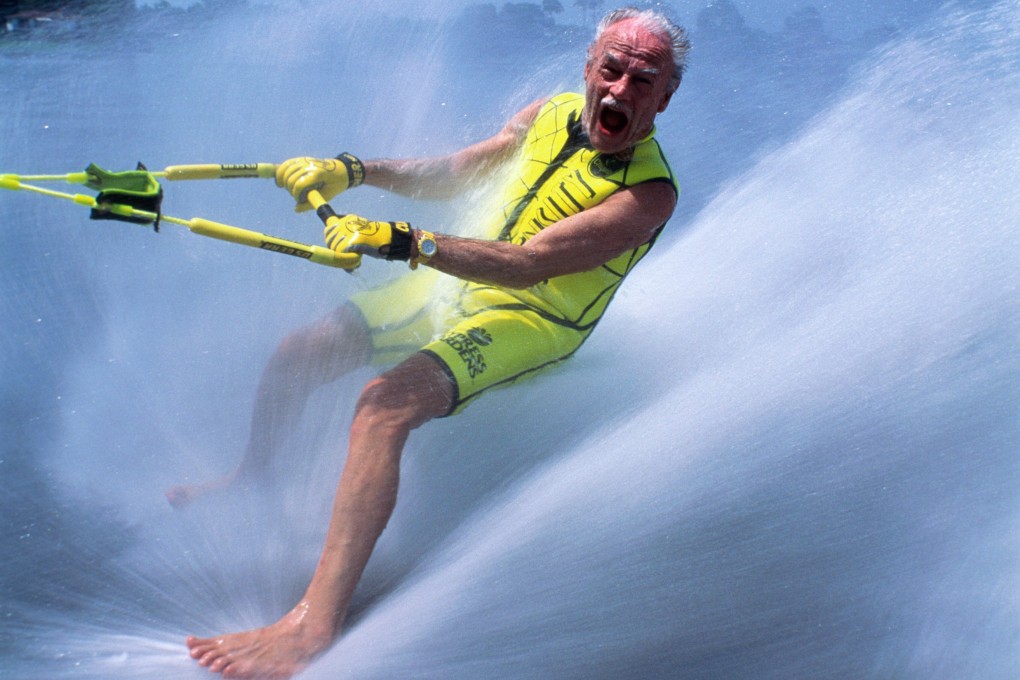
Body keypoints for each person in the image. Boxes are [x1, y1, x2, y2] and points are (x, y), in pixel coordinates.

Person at [182, 7, 690, 678]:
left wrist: (406, 242)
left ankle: (313, 626)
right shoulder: (549, 113)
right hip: (457, 280)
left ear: (665, 97)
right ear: (589, 68)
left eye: (643, 80)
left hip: (530, 317)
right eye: (612, 69)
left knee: (381, 407)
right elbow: (456, 172)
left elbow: (530, 265)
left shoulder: (649, 194)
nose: (621, 89)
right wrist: (352, 170)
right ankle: (253, 478)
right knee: (300, 350)